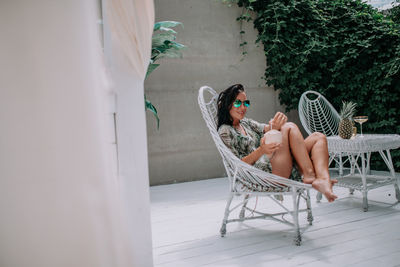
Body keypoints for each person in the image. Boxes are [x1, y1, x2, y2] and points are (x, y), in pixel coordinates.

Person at [217, 84, 337, 202]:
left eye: (246, 103)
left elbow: (268, 128)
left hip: (277, 162)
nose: (243, 107)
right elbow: (235, 164)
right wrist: (261, 150)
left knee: (318, 137)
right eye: (238, 103)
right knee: (288, 127)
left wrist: (275, 125)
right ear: (228, 105)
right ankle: (309, 175)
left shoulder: (246, 123)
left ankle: (322, 179)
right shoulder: (225, 131)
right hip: (260, 175)